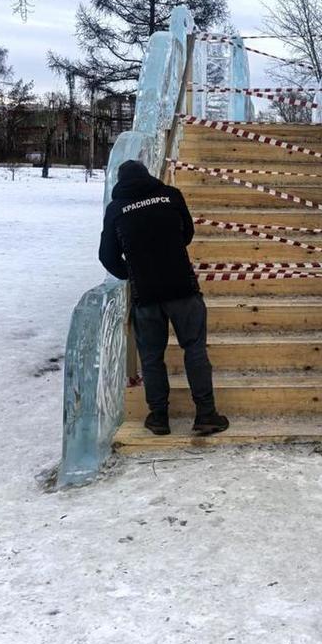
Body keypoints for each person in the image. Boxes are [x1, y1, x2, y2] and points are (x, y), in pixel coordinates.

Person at [98, 159, 229, 437]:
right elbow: (188, 233)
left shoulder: (116, 209)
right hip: (182, 288)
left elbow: (106, 256)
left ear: (120, 183)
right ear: (148, 176)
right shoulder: (170, 195)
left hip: (146, 295)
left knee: (151, 357)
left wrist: (132, 272)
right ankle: (206, 414)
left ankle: (158, 417)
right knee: (194, 349)